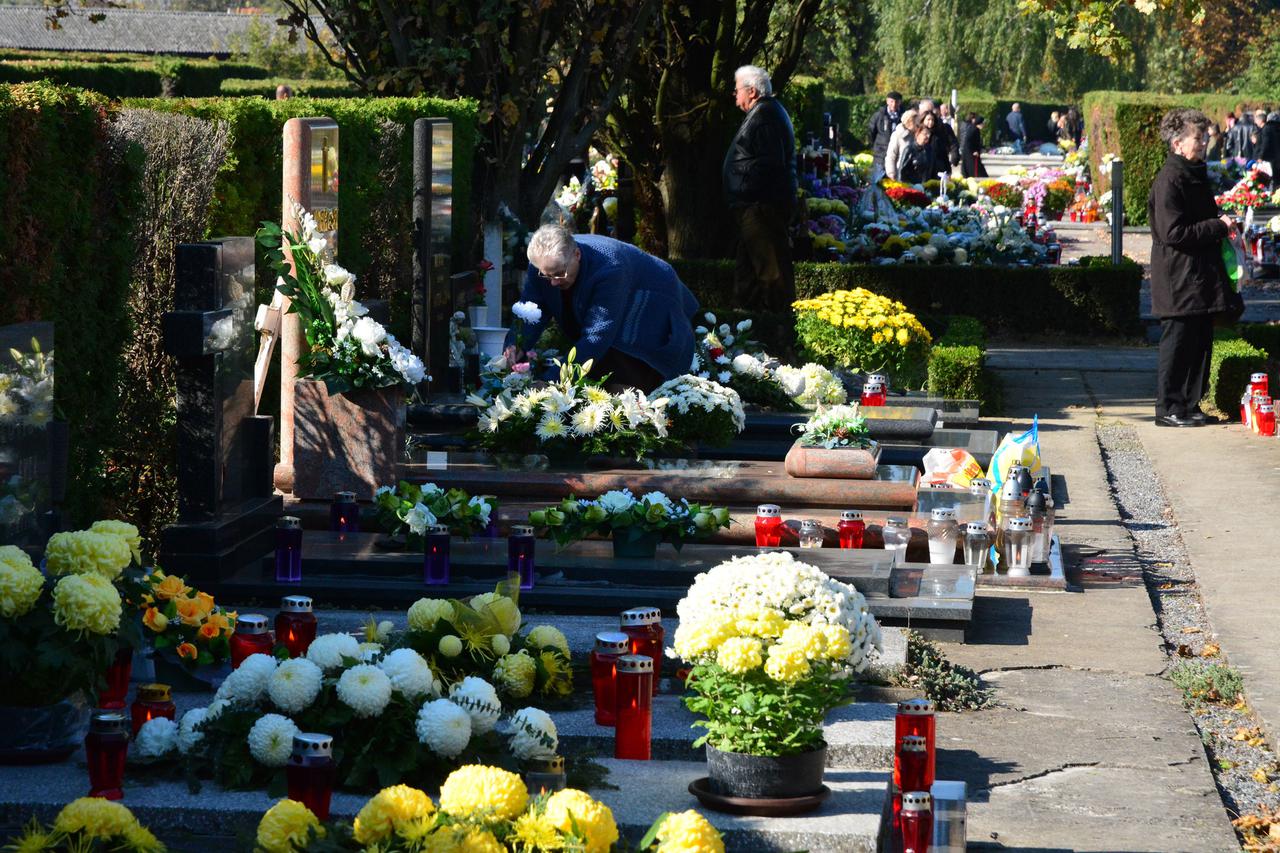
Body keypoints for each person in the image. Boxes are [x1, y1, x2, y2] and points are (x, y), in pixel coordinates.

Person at [503, 224, 698, 393]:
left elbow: (596, 336)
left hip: (652, 303)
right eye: (547, 275)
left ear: (577, 255)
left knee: (622, 382)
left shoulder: (611, 267)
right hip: (620, 291)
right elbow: (530, 311)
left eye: (559, 274)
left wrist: (550, 382)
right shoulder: (542, 265)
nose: (553, 282)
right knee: (589, 377)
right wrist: (515, 345)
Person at [1148, 108, 1240, 428]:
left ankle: (1190, 403)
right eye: (1197, 139)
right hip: (1179, 277)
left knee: (1199, 341)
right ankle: (1169, 407)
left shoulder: (1193, 174)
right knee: (1178, 342)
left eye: (1204, 138)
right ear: (1177, 143)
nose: (1203, 144)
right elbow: (1173, 232)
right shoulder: (1171, 179)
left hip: (1198, 276)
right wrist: (1218, 226)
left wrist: (1220, 225)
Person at [722, 64, 798, 315]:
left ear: (752, 91)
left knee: (771, 274)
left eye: (737, 91)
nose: (735, 98)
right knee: (748, 277)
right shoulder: (765, 113)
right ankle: (745, 324)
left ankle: (779, 327)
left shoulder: (765, 116)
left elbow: (771, 163)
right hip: (754, 208)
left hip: (760, 208)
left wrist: (742, 179)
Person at [868, 91, 903, 172]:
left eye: (897, 102)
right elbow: (871, 132)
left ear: (900, 102)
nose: (894, 104)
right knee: (878, 175)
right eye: (891, 101)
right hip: (880, 153)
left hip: (897, 153)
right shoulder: (878, 115)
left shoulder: (903, 116)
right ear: (887, 101)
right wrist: (876, 146)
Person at [883, 108, 918, 181]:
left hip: (913, 174)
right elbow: (891, 156)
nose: (918, 124)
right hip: (899, 173)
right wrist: (891, 173)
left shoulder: (916, 135)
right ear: (909, 122)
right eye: (916, 122)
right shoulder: (897, 135)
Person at [923, 109, 959, 174]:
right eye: (928, 120)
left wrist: (954, 157)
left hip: (939, 165)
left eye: (932, 120)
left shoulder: (939, 132)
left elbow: (951, 144)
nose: (930, 122)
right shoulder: (919, 133)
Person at [1255, 111, 1280, 186]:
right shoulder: (1277, 128)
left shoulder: (1267, 128)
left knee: (1273, 178)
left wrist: (1261, 156)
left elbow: (1265, 144)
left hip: (1271, 158)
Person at [959, 113, 987, 178]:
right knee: (975, 172)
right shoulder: (973, 130)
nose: (984, 125)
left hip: (973, 154)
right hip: (970, 154)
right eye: (983, 123)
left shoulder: (975, 129)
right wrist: (973, 151)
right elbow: (968, 142)